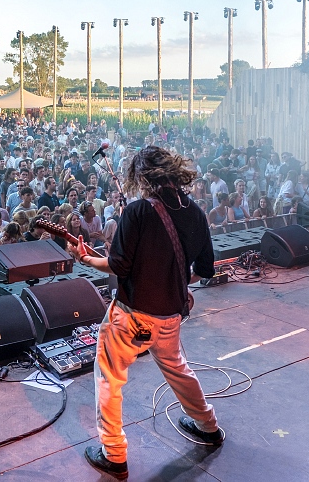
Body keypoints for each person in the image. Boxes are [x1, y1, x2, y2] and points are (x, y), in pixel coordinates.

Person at [66, 146, 221, 480]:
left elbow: (119, 266)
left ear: (141, 176)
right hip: (170, 316)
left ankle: (114, 455)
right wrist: (175, 282)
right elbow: (205, 269)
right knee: (178, 369)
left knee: (109, 376)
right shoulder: (195, 212)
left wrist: (85, 258)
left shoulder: (137, 211)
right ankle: (209, 426)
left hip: (132, 316)